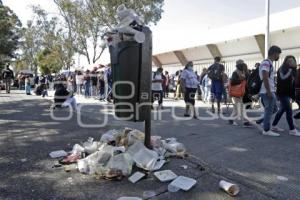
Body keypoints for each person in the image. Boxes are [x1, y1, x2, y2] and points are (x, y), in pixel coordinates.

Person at [271, 56, 300, 136]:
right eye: (289, 61)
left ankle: (274, 126)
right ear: (286, 62)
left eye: (293, 60)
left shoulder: (293, 71)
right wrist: (290, 70)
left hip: (288, 94)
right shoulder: (282, 69)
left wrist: (293, 96)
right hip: (282, 93)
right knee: (289, 111)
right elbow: (283, 78)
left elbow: (292, 84)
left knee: (281, 110)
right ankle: (292, 129)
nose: (291, 62)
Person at [259, 45, 282, 137]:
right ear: (274, 53)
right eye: (278, 54)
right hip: (266, 91)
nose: (278, 56)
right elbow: (265, 77)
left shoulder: (268, 63)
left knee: (274, 109)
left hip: (269, 90)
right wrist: (268, 91)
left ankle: (262, 121)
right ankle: (266, 129)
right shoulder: (266, 63)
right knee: (269, 110)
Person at [228, 62, 252, 127]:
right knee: (239, 108)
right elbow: (233, 82)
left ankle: (234, 120)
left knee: (238, 108)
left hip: (239, 93)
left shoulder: (241, 73)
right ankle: (244, 121)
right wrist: (241, 79)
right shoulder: (235, 73)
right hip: (236, 93)